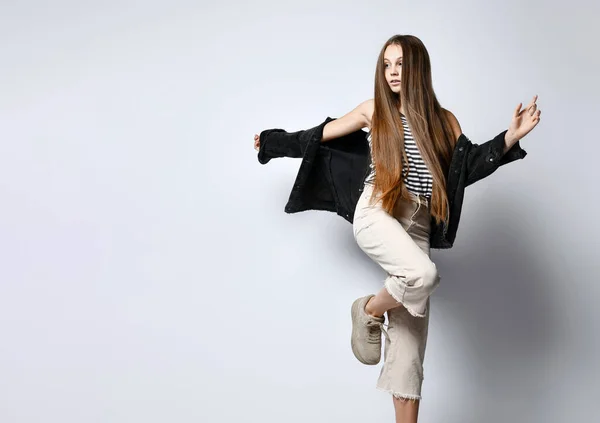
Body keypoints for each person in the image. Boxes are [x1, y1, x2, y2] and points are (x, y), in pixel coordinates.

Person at [253, 34, 541, 423]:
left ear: (417, 68)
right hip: (378, 210)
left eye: (400, 64)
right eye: (386, 64)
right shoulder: (374, 111)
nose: (391, 72)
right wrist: (271, 142)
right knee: (422, 274)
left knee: (408, 357)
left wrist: (510, 137)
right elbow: (316, 137)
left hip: (419, 225)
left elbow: (467, 167)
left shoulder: (444, 121)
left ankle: (373, 317)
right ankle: (369, 310)